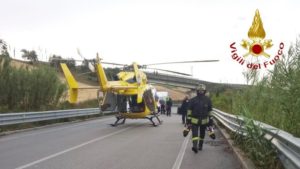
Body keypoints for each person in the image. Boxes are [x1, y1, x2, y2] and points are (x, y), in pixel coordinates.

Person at [186, 84, 213, 153]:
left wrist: (211, 120)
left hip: (204, 121)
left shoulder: (208, 100)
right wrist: (188, 120)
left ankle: (200, 145)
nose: (201, 92)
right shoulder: (192, 100)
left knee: (202, 134)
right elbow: (189, 111)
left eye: (202, 90)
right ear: (197, 91)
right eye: (200, 90)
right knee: (195, 134)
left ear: (204, 91)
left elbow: (210, 111)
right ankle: (195, 146)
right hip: (194, 121)